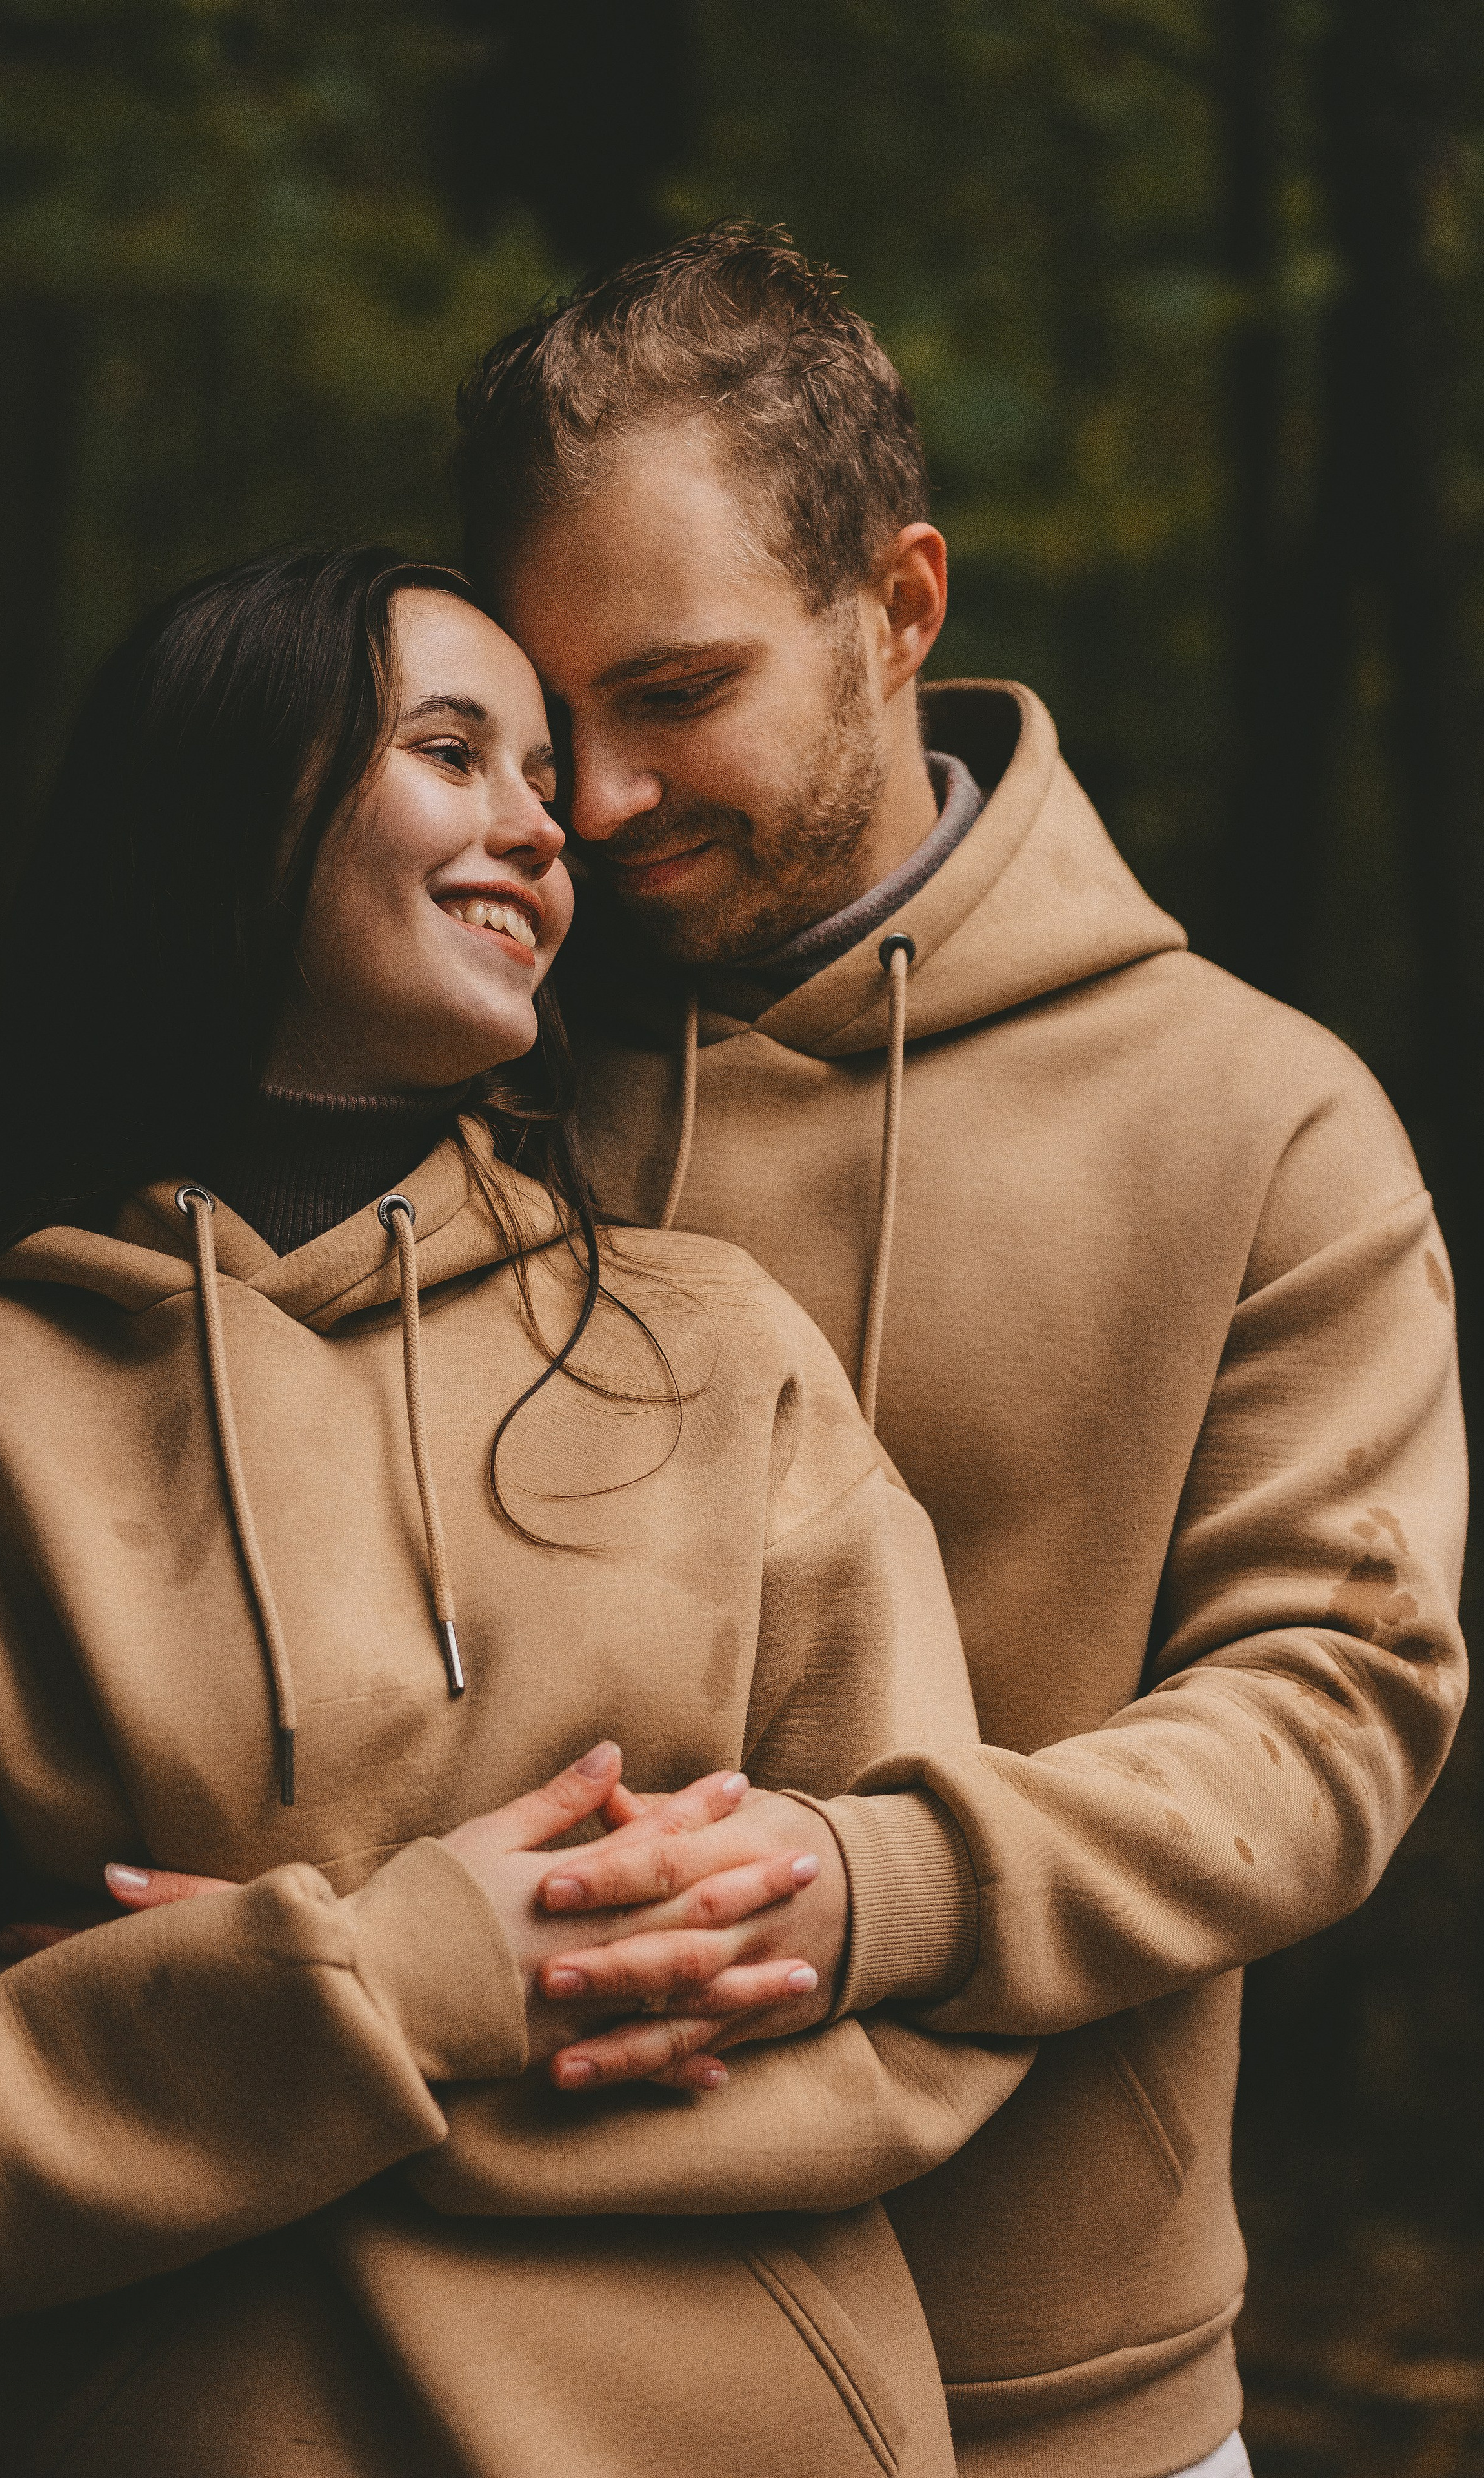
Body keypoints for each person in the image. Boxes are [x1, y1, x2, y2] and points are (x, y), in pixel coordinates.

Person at [0, 546, 1030, 2477]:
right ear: (227, 805)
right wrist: (406, 1973)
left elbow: (930, 1993)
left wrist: (279, 2041)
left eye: (545, 782)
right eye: (454, 751)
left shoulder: (713, 1346)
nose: (542, 834)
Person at [446, 223, 1470, 2478]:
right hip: (483, 2378)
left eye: (678, 690)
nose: (595, 805)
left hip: (1059, 2411)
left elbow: (1336, 1712)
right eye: (549, 718)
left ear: (899, 606)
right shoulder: (448, 1083)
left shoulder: (1259, 1114)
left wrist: (872, 1890)